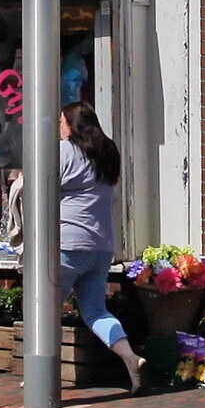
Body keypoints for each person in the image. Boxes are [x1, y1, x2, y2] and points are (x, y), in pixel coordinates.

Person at [58, 101, 144, 393]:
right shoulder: (108, 152)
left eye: (61, 121)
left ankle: (41, 376)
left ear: (70, 124)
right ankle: (130, 358)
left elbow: (42, 188)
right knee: (96, 311)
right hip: (101, 247)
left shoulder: (65, 151)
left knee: (43, 310)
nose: (59, 127)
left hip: (67, 245)